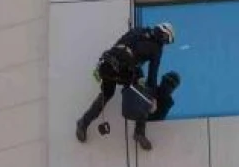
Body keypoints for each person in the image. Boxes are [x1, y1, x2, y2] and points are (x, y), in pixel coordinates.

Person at [75, 22, 176, 151]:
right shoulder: (153, 45)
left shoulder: (140, 32)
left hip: (113, 64)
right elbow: (152, 74)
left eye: (167, 41)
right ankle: (84, 123)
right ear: (163, 31)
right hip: (117, 65)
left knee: (137, 94)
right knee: (139, 94)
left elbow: (120, 45)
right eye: (166, 39)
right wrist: (152, 94)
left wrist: (151, 93)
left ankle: (83, 123)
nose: (165, 42)